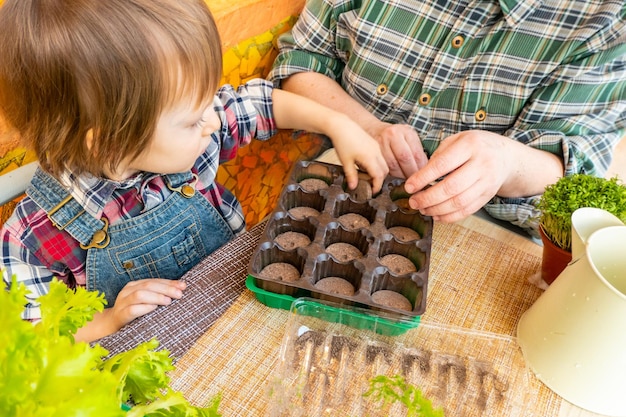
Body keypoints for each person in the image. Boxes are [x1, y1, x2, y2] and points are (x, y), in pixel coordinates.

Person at [0, 0, 388, 342]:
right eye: (191, 118)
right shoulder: (32, 237)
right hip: (165, 365)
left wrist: (340, 125)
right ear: (110, 143)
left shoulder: (190, 133)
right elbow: (34, 337)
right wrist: (110, 320)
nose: (212, 120)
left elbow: (263, 103)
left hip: (244, 310)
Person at [269, 0, 626, 236]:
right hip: (333, 180)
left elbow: (575, 175)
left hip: (480, 227)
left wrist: (505, 160)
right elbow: (301, 61)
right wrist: (367, 128)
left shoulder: (607, 18)